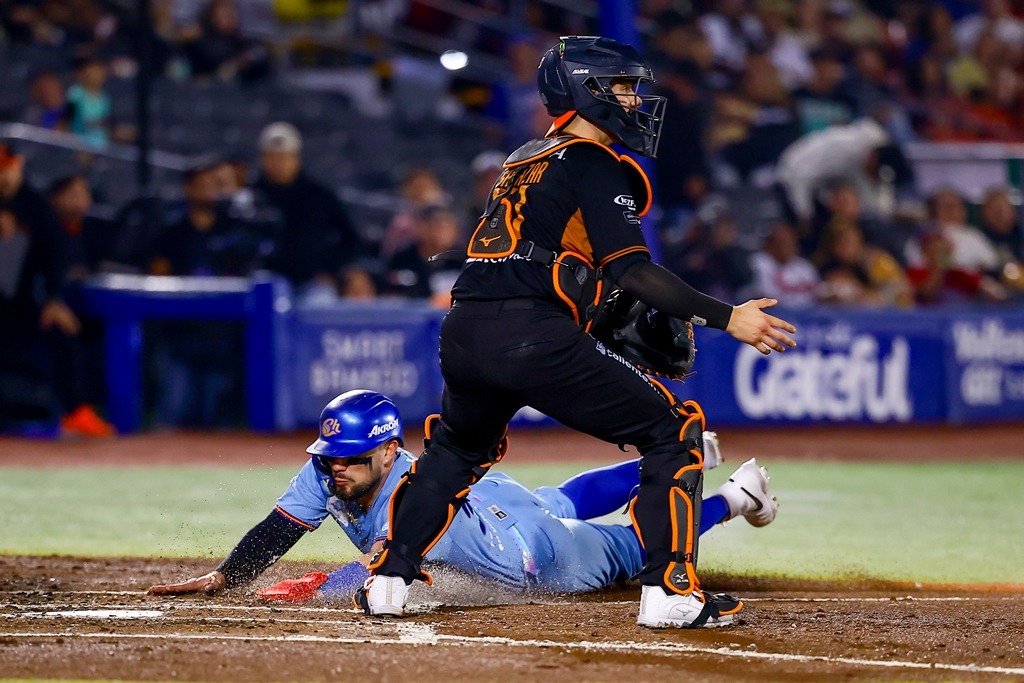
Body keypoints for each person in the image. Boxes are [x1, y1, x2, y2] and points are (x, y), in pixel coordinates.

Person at [354, 36, 796, 630]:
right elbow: (630, 268)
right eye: (622, 87)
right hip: (528, 331)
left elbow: (549, 255)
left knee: (455, 451)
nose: (635, 100)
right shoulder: (592, 161)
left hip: (464, 327)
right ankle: (670, 592)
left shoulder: (522, 158)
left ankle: (389, 580)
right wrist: (727, 316)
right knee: (674, 432)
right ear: (586, 91)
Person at [147, 390, 777, 602]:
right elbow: (279, 527)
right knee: (556, 492)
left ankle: (736, 495)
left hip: (537, 553)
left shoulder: (413, 496)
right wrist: (229, 576)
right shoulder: (329, 470)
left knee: (640, 543)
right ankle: (680, 458)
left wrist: (314, 587)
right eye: (330, 457)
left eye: (351, 458)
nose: (335, 470)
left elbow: (377, 567)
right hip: (488, 495)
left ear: (390, 451)